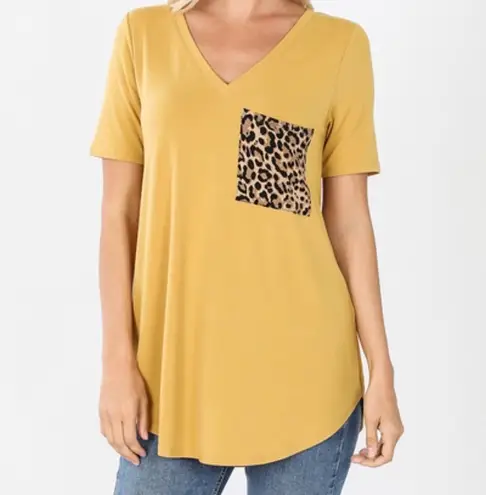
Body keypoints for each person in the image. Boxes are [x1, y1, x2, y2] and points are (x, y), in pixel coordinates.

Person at [90, 0, 404, 493]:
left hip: (306, 377)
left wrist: (381, 368)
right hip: (169, 379)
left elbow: (349, 223)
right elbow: (118, 214)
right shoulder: (143, 36)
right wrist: (116, 363)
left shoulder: (338, 45)